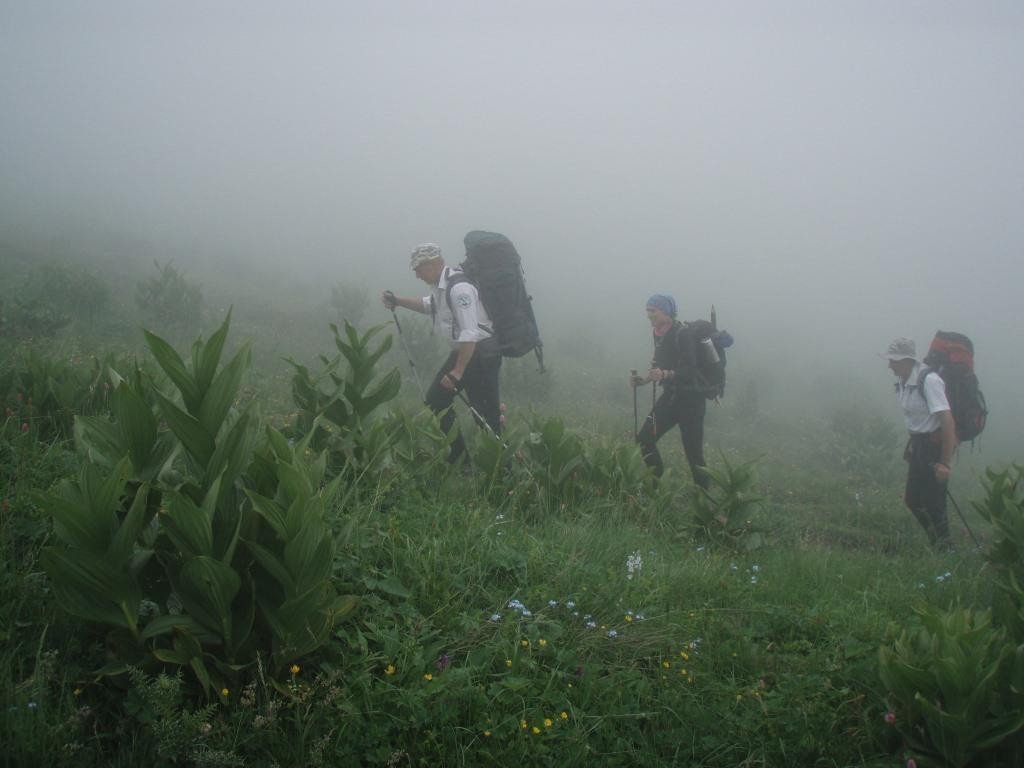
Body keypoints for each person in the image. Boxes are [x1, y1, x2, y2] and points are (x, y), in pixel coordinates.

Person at [381, 243, 501, 463]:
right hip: (466, 353)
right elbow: (429, 306)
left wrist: (457, 371)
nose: (416, 274)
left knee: (484, 416)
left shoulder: (459, 288)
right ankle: (460, 460)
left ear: (434, 263)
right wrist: (397, 301)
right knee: (436, 401)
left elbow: (470, 332)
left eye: (419, 268)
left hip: (481, 355)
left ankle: (503, 473)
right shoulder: (441, 287)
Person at [881, 336, 957, 547]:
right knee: (913, 500)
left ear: (907, 360)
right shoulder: (903, 382)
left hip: (934, 446)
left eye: (893, 360)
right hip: (918, 445)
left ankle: (946, 549)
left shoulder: (929, 381)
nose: (889, 365)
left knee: (934, 502)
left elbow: (947, 420)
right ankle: (937, 542)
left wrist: (945, 462)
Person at [630, 294, 710, 488]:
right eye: (647, 311)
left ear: (665, 311)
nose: (649, 315)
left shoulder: (682, 334)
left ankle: (705, 501)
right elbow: (659, 365)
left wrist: (665, 374)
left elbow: (691, 370)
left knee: (693, 453)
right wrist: (644, 380)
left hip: (692, 400)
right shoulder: (659, 333)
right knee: (644, 439)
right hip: (672, 397)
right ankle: (657, 487)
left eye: (653, 311)